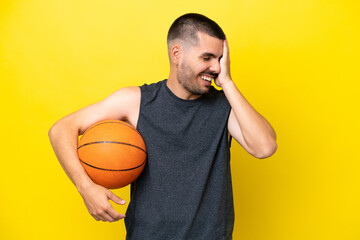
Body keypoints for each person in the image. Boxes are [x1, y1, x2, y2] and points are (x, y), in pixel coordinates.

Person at [49, 13, 277, 239]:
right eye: (207, 58)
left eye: (220, 59)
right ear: (177, 54)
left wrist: (227, 83)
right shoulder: (136, 101)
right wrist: (85, 187)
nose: (216, 68)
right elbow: (61, 129)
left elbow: (264, 147)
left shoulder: (225, 106)